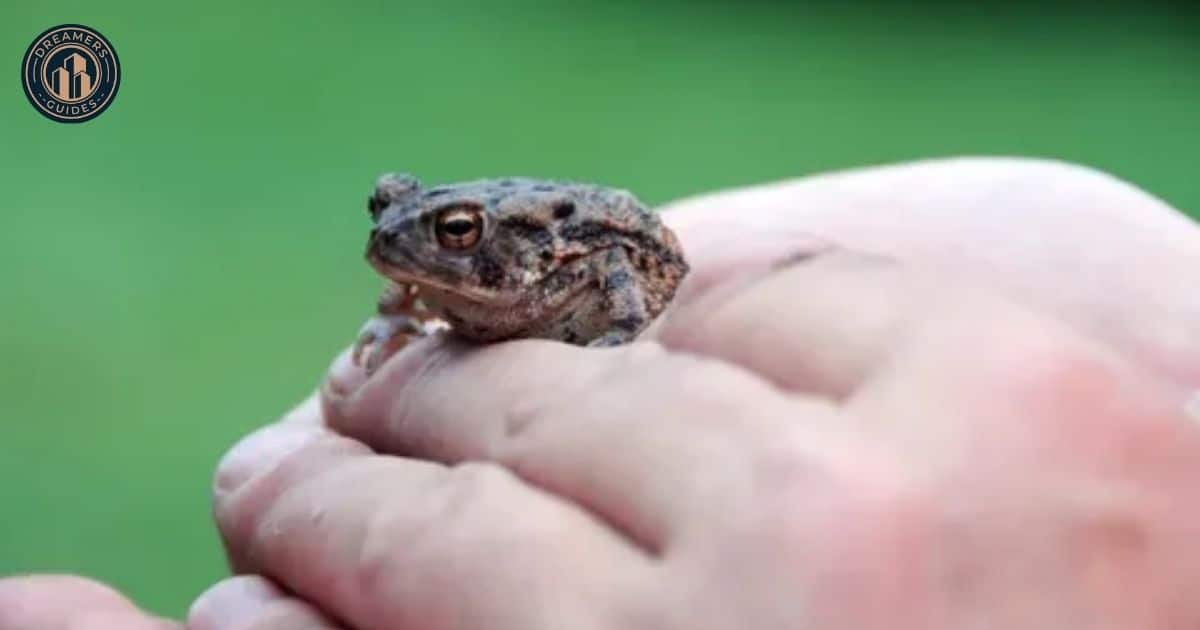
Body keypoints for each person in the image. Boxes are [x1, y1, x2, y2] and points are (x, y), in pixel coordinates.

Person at [4, 158, 1199, 630]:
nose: (410, 245)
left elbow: (637, 273)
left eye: (455, 233)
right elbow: (404, 297)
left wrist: (621, 366)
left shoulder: (573, 259)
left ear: (512, 246)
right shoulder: (431, 282)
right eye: (401, 221)